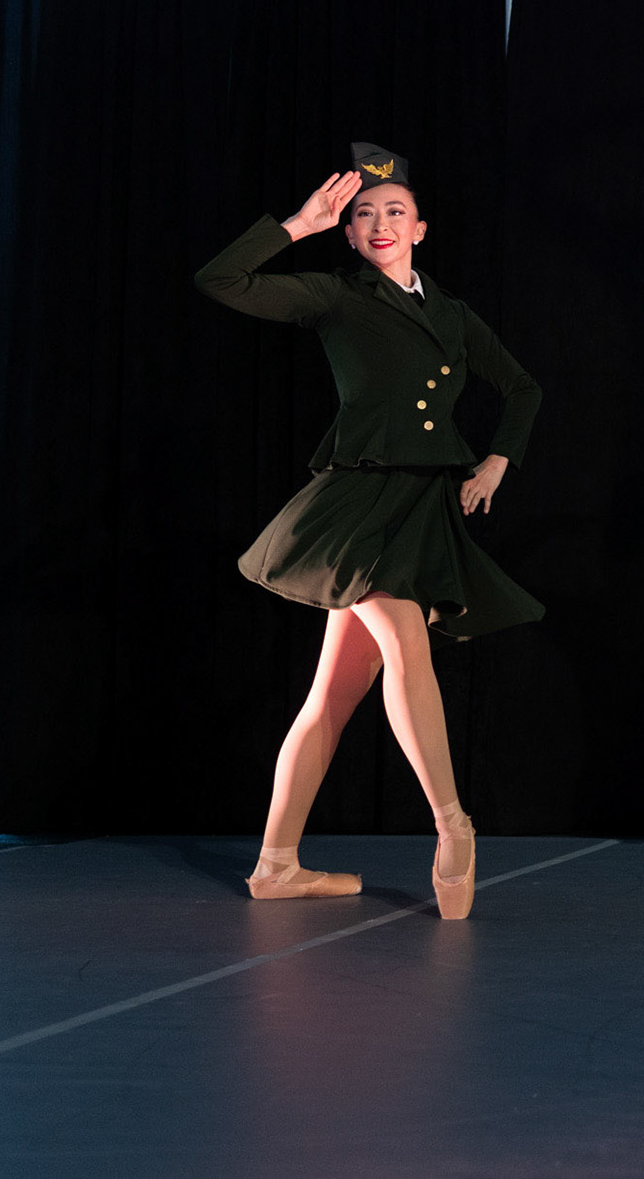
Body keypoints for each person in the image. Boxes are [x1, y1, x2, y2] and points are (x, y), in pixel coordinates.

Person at [195, 143, 542, 919]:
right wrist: (296, 225)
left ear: (420, 227)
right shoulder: (336, 296)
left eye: (395, 210)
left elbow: (523, 387)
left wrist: (496, 461)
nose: (380, 222)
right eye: (363, 213)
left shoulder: (452, 315)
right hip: (358, 506)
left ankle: (276, 864)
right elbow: (221, 280)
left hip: (421, 509)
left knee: (330, 697)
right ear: (349, 233)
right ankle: (453, 823)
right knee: (407, 644)